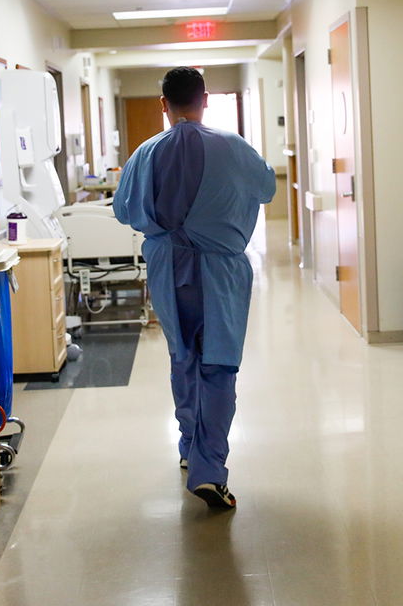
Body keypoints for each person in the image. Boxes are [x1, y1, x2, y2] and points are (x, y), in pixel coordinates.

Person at [113, 67, 276, 510]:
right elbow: (266, 189)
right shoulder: (234, 148)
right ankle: (210, 469)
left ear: (163, 104)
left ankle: (188, 447)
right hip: (219, 271)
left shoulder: (145, 153)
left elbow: (124, 211)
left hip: (168, 269)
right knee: (218, 366)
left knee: (182, 357)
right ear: (205, 101)